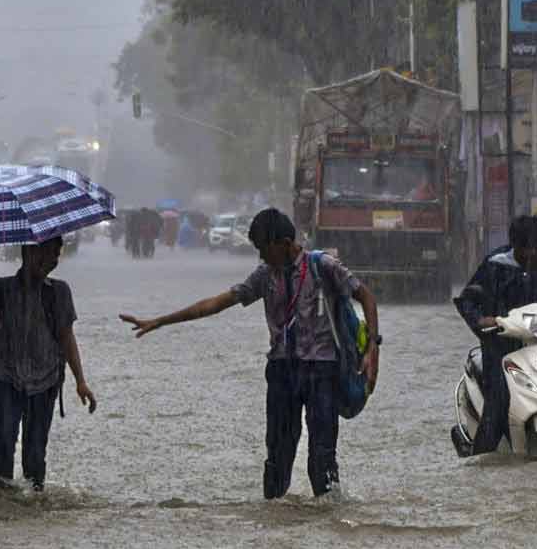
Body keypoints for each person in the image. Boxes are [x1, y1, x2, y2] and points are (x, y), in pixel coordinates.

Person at [119, 209, 379, 499]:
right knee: (277, 455)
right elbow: (217, 303)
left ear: (283, 243)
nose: (261, 257)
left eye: (263, 249)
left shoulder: (323, 266)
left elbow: (366, 296)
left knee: (322, 455)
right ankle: (273, 517)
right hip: (282, 371)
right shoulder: (265, 276)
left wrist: (372, 350)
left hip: (322, 371)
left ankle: (329, 517)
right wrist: (161, 321)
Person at [0, 237, 97, 491]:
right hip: (7, 377)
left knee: (36, 448)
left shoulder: (59, 292)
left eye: (56, 254)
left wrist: (80, 381)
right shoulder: (0, 289)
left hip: (46, 379)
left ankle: (35, 499)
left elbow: (66, 337)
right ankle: (2, 497)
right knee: (5, 438)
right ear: (28, 252)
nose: (51, 260)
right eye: (46, 253)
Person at [453, 215, 537, 457]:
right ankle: (481, 454)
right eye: (526, 250)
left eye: (536, 249)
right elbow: (467, 301)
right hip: (504, 347)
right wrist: (482, 320)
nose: (532, 256)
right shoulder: (495, 267)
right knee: (499, 402)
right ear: (515, 246)